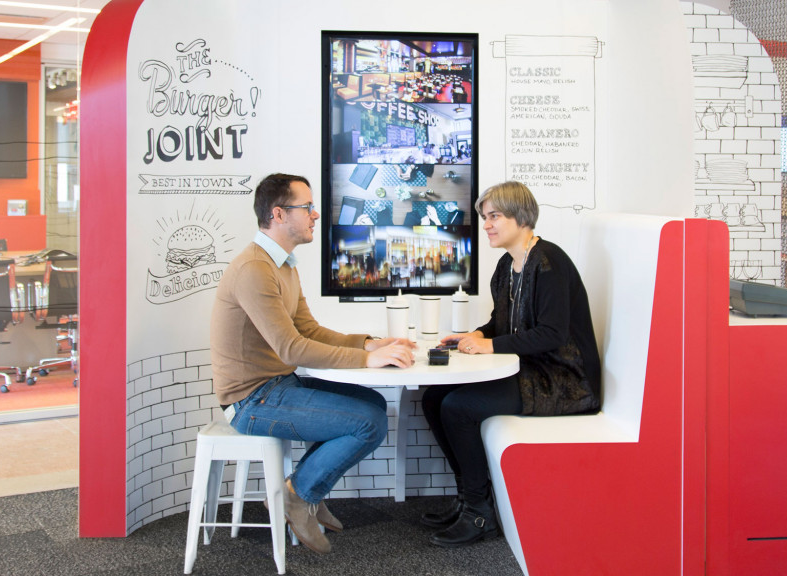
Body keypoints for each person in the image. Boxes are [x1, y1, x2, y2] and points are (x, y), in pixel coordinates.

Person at [211, 173, 416, 554]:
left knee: (372, 403)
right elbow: (291, 348)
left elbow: (308, 329)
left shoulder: (283, 265)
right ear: (278, 214)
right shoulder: (254, 269)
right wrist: (367, 359)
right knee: (367, 423)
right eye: (306, 207)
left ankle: (306, 490)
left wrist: (369, 343)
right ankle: (297, 495)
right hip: (251, 401)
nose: (315, 214)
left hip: (277, 385)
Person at [420, 180, 601, 548]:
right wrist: (471, 335)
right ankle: (468, 497)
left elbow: (551, 334)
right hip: (531, 369)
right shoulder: (507, 266)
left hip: (563, 380)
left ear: (521, 217)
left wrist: (488, 345)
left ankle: (479, 513)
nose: (486, 224)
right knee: (432, 398)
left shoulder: (550, 264)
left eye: (494, 216)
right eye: (484, 217)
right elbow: (501, 324)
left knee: (458, 408)